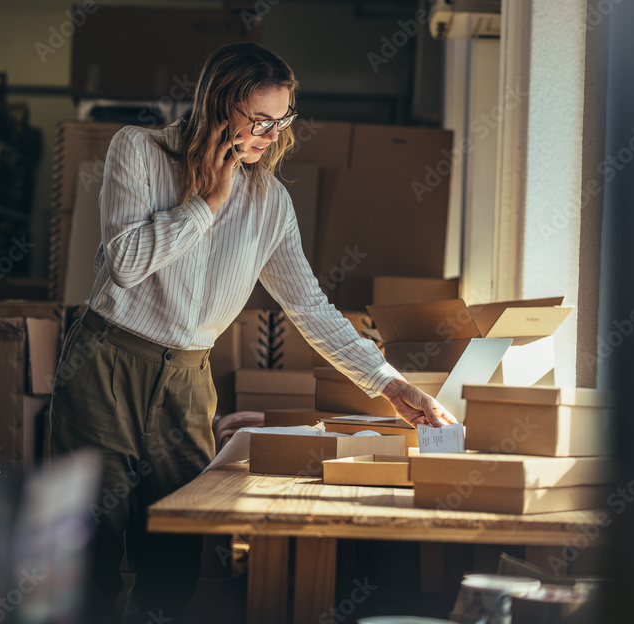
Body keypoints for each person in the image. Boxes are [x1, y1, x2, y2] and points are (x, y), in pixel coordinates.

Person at [49, 41, 457, 624]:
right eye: (259, 119)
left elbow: (310, 308)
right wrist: (208, 203)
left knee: (175, 551)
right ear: (218, 105)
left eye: (282, 119)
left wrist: (391, 385)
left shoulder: (270, 203)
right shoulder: (137, 150)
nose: (271, 133)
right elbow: (125, 263)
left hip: (187, 381)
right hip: (106, 362)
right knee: (90, 543)